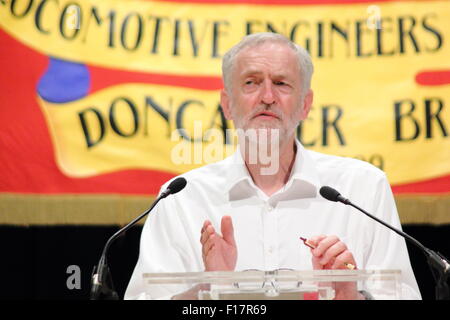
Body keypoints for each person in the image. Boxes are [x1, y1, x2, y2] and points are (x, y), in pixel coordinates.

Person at [125, 32, 421, 300]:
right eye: (251, 82)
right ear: (227, 104)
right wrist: (210, 288)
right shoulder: (181, 198)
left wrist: (349, 296)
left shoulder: (363, 188)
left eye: (281, 83)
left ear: (305, 104)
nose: (267, 97)